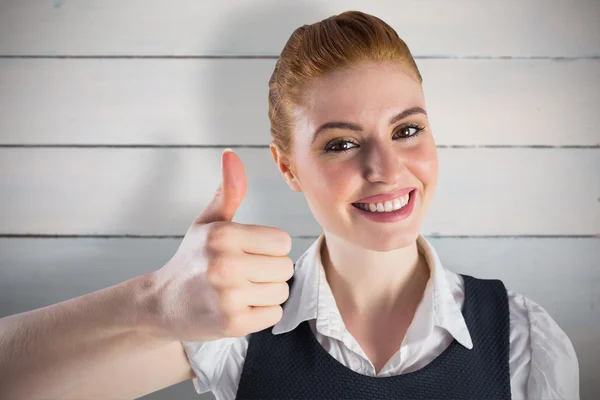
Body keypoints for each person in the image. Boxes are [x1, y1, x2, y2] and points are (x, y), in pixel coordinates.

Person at [0, 10, 579, 400]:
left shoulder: (523, 340)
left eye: (407, 130)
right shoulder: (232, 326)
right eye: (342, 143)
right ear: (287, 167)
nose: (385, 168)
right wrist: (155, 300)